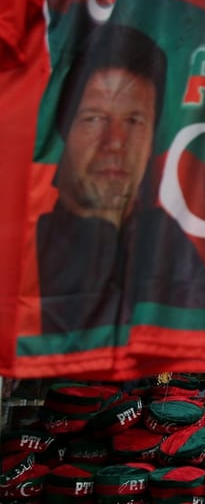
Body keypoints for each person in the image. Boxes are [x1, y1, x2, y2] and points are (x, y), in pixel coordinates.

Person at [37, 23, 165, 332]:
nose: (116, 141)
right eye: (94, 118)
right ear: (61, 131)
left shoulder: (179, 257)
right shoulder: (24, 254)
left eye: (134, 120)